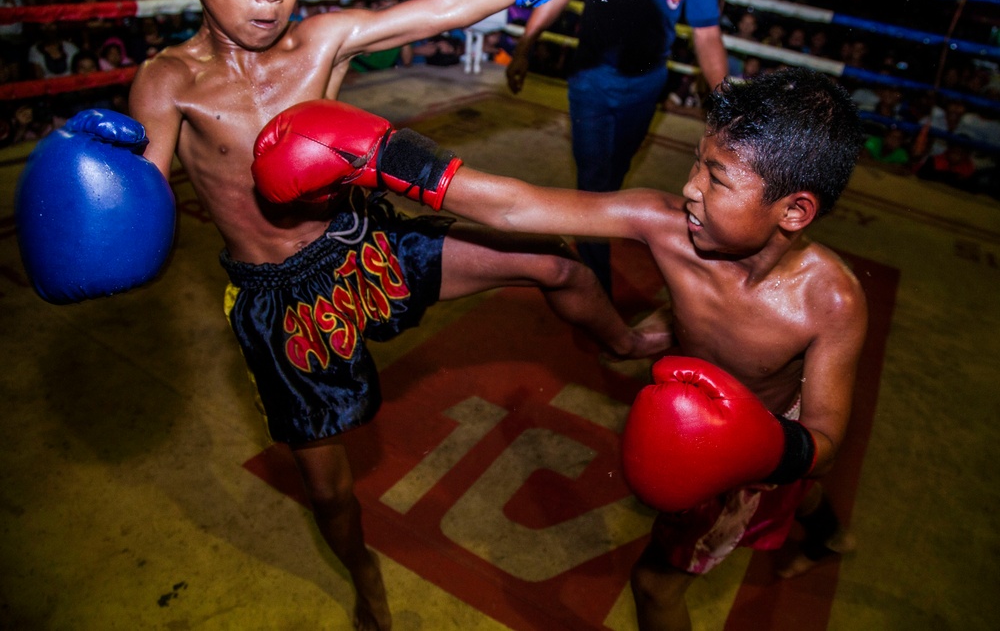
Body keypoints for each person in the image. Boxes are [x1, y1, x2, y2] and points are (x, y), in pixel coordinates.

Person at [14, 0, 674, 630]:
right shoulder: (168, 83)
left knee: (555, 263)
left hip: (365, 245)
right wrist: (91, 207)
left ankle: (629, 345)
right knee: (329, 491)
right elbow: (139, 213)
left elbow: (448, 6)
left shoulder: (320, 41)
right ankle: (363, 576)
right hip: (282, 303)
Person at [257, 67, 867, 630]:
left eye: (717, 177)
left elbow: (827, 443)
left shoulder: (830, 303)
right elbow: (519, 207)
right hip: (711, 422)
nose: (690, 187)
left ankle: (818, 529)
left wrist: (753, 444)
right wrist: (390, 158)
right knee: (785, 501)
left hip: (757, 447)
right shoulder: (664, 225)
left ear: (794, 210)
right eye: (697, 164)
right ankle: (826, 535)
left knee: (655, 587)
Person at [505, 0, 728, 294]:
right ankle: (595, 287)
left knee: (613, 176)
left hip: (647, 83)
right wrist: (525, 45)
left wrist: (726, 104)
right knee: (593, 180)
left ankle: (588, 235)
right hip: (591, 76)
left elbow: (706, 33)